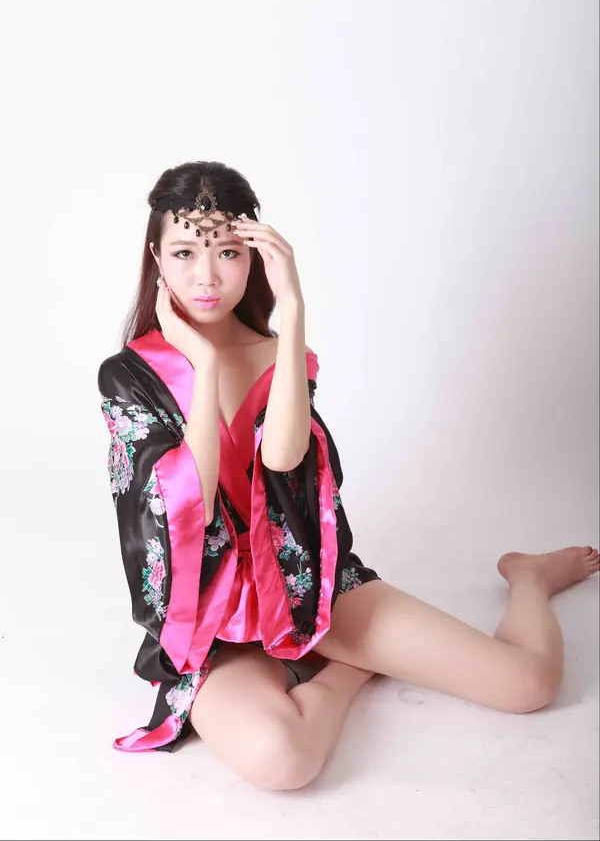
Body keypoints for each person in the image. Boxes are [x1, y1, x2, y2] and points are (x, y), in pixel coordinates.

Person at [98, 160, 599, 790]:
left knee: (529, 684)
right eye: (184, 254)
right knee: (281, 762)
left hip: (307, 585)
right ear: (156, 257)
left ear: (255, 257)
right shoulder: (129, 376)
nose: (207, 277)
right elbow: (187, 499)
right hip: (207, 619)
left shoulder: (280, 355)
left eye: (227, 252)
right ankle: (352, 670)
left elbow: (283, 458)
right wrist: (201, 363)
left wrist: (294, 308)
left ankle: (529, 578)